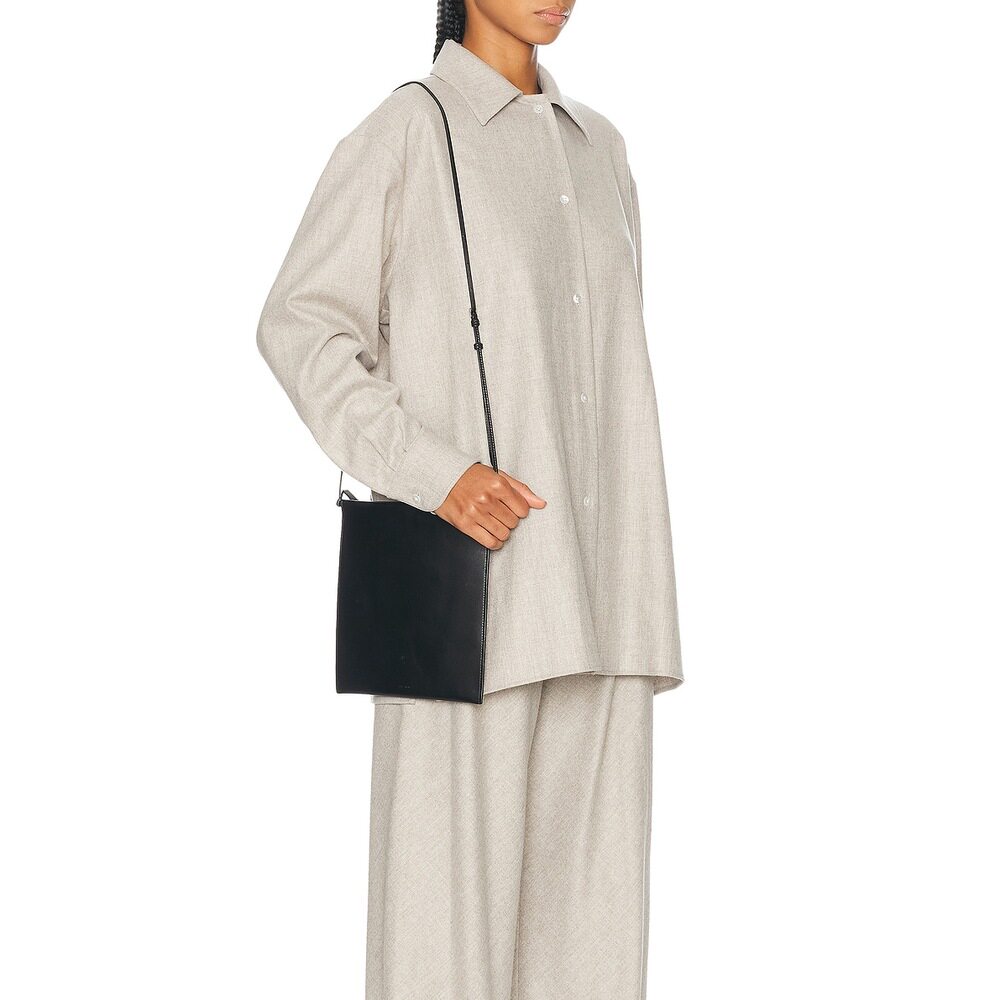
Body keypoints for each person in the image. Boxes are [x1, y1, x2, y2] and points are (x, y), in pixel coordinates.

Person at [256, 2, 684, 997]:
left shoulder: (602, 150)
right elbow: (300, 325)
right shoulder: (409, 131)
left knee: (592, 950)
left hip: (609, 594)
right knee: (441, 947)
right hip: (469, 597)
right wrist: (433, 471)